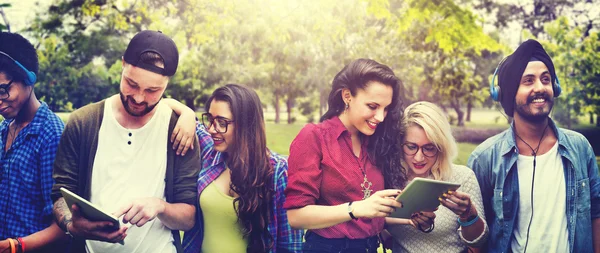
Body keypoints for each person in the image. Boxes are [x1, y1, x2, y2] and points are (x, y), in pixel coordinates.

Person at [51, 30, 201, 253]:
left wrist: (159, 207)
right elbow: (60, 193)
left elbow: (188, 218)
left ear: (167, 84)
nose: (139, 98)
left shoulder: (178, 130)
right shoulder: (83, 122)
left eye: (153, 90)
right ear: (122, 64)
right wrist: (71, 224)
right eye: (131, 84)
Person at [284, 58, 434, 252]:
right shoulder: (314, 137)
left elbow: (364, 217)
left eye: (386, 108)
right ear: (347, 96)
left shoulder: (376, 141)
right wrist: (354, 208)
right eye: (372, 106)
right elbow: (296, 217)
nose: (380, 117)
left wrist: (408, 219)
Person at [468, 39, 600, 253]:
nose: (540, 87)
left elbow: (596, 213)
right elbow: (475, 238)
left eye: (546, 79)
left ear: (554, 87)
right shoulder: (484, 158)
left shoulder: (580, 147)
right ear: (509, 93)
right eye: (528, 81)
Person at [165, 84, 303, 252]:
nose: (211, 129)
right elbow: (165, 103)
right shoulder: (210, 152)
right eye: (210, 119)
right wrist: (187, 113)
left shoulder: (278, 171)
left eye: (222, 122)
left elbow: (290, 245)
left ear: (246, 124)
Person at [385, 101, 488, 252]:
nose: (419, 158)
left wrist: (468, 215)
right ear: (400, 143)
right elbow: (373, 229)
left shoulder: (462, 176)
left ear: (441, 147)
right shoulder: (389, 179)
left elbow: (478, 244)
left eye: (429, 148)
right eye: (411, 147)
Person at [0, 32, 67, 253]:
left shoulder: (51, 135)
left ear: (28, 79)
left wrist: (14, 246)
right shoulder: (4, 129)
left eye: (3, 90)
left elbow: (62, 226)